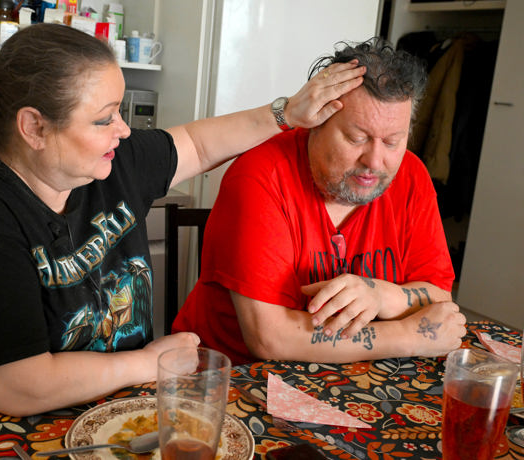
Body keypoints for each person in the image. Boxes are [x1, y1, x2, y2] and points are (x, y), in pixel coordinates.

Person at [0, 23, 365, 422]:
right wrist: (146, 365)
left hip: (102, 412)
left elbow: (198, 145)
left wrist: (287, 113)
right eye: (104, 119)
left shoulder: (109, 163)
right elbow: (17, 383)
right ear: (34, 127)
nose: (123, 130)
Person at [172, 38, 467, 366]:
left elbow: (439, 298)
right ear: (316, 123)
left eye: (392, 142)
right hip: (233, 374)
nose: (374, 161)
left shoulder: (411, 175)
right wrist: (409, 335)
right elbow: (269, 339)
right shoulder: (259, 176)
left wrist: (383, 295)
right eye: (356, 138)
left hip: (352, 372)